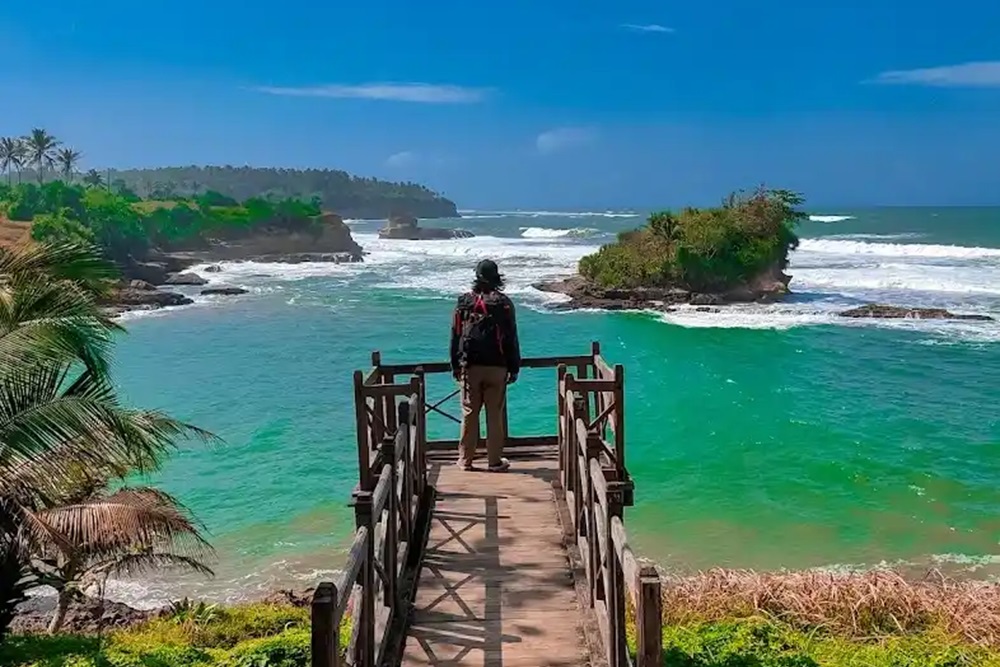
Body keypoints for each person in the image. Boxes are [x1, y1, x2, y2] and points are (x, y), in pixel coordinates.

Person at [449, 259, 521, 472]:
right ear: (497, 277)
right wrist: (514, 367)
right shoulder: (504, 304)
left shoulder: (464, 302)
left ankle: (465, 460)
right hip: (497, 366)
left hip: (470, 365)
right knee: (494, 413)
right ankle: (494, 461)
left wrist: (454, 364)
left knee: (470, 412)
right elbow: (511, 338)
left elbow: (455, 335)